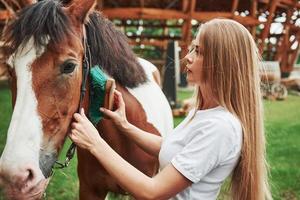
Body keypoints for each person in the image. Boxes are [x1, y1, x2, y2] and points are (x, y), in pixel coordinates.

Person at [69, 18, 272, 200]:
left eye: (199, 52)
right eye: (192, 48)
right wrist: (125, 126)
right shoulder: (205, 112)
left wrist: (95, 143)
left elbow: (152, 191)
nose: (188, 57)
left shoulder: (220, 127)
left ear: (222, 63)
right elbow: (172, 147)